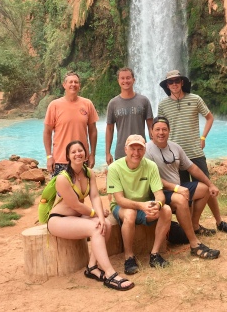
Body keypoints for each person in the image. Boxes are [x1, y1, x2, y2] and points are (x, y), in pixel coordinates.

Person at [158, 70, 227, 235]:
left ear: (182, 82)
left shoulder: (195, 99)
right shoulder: (163, 105)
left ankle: (219, 222)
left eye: (176, 81)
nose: (174, 84)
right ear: (167, 85)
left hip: (194, 152)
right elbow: (160, 128)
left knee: (208, 188)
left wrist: (203, 137)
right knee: (184, 193)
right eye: (170, 82)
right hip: (174, 156)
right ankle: (192, 227)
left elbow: (210, 117)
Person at [47, 140, 134, 291]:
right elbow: (75, 205)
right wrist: (95, 215)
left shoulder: (89, 173)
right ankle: (110, 274)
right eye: (73, 152)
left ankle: (92, 267)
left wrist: (100, 217)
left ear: (86, 153)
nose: (77, 154)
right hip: (58, 220)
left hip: (76, 217)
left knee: (105, 224)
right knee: (96, 228)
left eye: (80, 150)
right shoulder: (63, 178)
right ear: (68, 156)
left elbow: (94, 197)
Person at [145, 116, 220, 259]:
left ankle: (193, 226)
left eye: (164, 129)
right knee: (180, 199)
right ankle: (194, 245)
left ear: (169, 131)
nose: (161, 132)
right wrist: (176, 188)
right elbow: (152, 178)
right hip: (159, 192)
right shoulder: (147, 150)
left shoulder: (175, 147)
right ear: (151, 132)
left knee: (204, 190)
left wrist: (211, 184)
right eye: (157, 129)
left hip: (177, 188)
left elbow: (192, 168)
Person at [107, 134, 172, 275]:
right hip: (122, 207)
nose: (136, 153)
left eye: (140, 149)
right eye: (132, 148)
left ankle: (154, 254)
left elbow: (159, 194)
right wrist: (141, 206)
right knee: (130, 213)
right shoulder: (114, 168)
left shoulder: (151, 166)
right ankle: (129, 257)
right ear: (125, 149)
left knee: (166, 210)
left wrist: (158, 205)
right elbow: (119, 199)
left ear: (144, 150)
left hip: (144, 206)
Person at [43, 71, 99, 175]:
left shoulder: (87, 104)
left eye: (76, 82)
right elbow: (47, 132)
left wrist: (92, 154)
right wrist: (49, 156)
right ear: (64, 85)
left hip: (81, 159)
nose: (73, 84)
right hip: (60, 160)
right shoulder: (54, 105)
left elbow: (93, 131)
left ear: (79, 85)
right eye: (70, 82)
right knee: (61, 191)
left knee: (82, 191)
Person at [105, 67, 153, 165]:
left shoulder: (144, 101)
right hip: (121, 151)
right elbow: (109, 129)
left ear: (133, 80)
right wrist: (107, 153)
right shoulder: (113, 103)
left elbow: (151, 127)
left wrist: (154, 150)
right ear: (118, 80)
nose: (125, 81)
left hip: (140, 151)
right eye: (122, 78)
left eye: (128, 78)